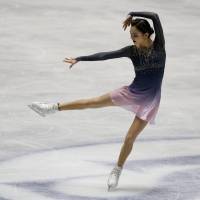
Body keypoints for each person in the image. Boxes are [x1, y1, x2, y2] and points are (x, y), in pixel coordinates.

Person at [28, 11, 166, 191]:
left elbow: (154, 16)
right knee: (91, 102)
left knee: (130, 137)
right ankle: (52, 108)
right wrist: (80, 58)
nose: (132, 38)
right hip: (131, 92)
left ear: (147, 34)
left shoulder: (159, 46)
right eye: (130, 35)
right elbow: (105, 55)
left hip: (150, 101)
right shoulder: (132, 51)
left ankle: (117, 170)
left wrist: (132, 13)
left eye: (135, 35)